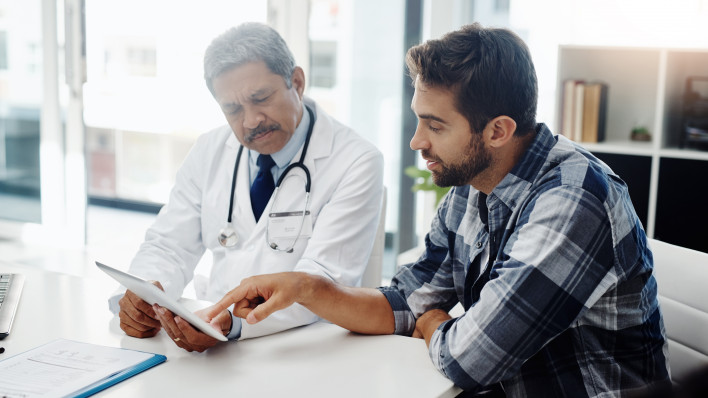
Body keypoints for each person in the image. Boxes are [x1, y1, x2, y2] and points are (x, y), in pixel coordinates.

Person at [205, 23, 670, 396]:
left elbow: (470, 359)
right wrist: (304, 286)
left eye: (435, 125)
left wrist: (434, 322)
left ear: (498, 131)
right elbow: (404, 302)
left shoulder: (573, 201)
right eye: (418, 119)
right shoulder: (473, 185)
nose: (417, 141)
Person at [109, 22, 384, 352]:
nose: (251, 120)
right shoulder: (209, 150)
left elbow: (322, 284)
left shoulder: (356, 160)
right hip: (212, 341)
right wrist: (146, 298)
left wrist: (235, 324)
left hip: (305, 350)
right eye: (233, 109)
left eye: (261, 98)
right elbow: (169, 246)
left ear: (296, 83)